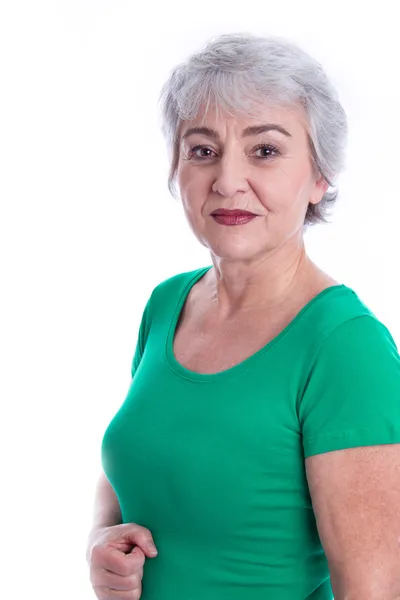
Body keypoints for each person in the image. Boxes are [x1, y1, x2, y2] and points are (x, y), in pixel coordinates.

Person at [86, 32, 400, 600]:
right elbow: (134, 470)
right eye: (203, 150)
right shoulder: (167, 305)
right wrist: (102, 544)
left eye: (266, 150)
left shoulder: (346, 348)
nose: (228, 181)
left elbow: (373, 592)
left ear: (320, 177)